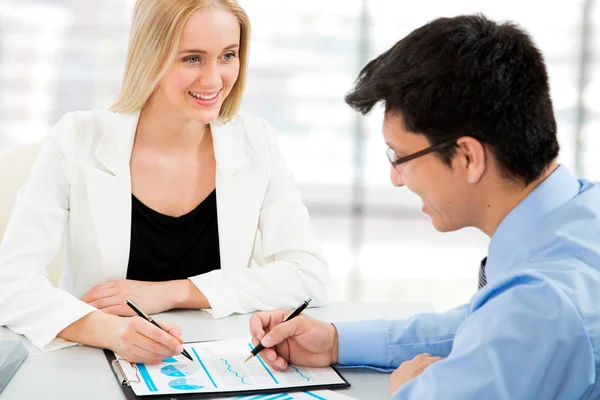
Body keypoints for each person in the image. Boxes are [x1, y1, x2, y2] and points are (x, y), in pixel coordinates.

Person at [249, 14, 600, 399]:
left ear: (467, 157)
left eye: (400, 156)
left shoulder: (538, 306)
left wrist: (407, 392)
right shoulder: (580, 211)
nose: (396, 178)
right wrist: (336, 341)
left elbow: (516, 322)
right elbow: (482, 323)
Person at [0, 0, 329, 363]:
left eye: (227, 55)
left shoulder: (256, 141)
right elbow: (11, 282)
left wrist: (170, 293)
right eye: (192, 58)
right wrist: (110, 331)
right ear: (150, 55)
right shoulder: (77, 138)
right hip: (95, 363)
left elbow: (308, 276)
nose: (213, 79)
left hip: (220, 365)